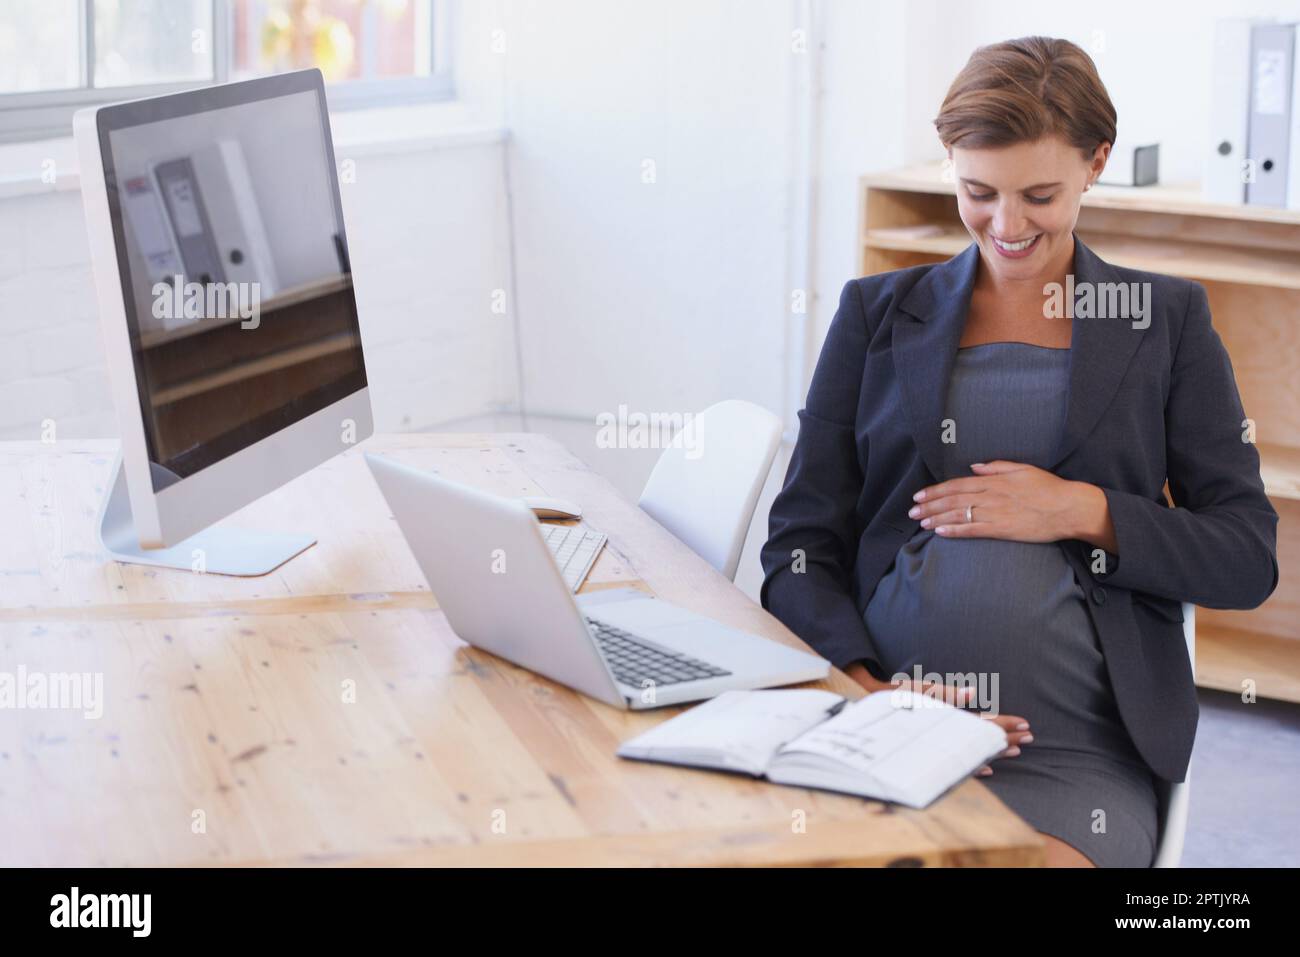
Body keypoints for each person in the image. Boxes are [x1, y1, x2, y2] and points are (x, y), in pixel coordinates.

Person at [760, 36, 1278, 867]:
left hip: (1072, 756)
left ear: (1096, 161)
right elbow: (796, 551)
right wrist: (870, 692)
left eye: (1039, 194)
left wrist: (1083, 509)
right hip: (888, 727)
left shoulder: (1164, 322)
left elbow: (1247, 557)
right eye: (977, 192)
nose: (1006, 226)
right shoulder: (874, 316)